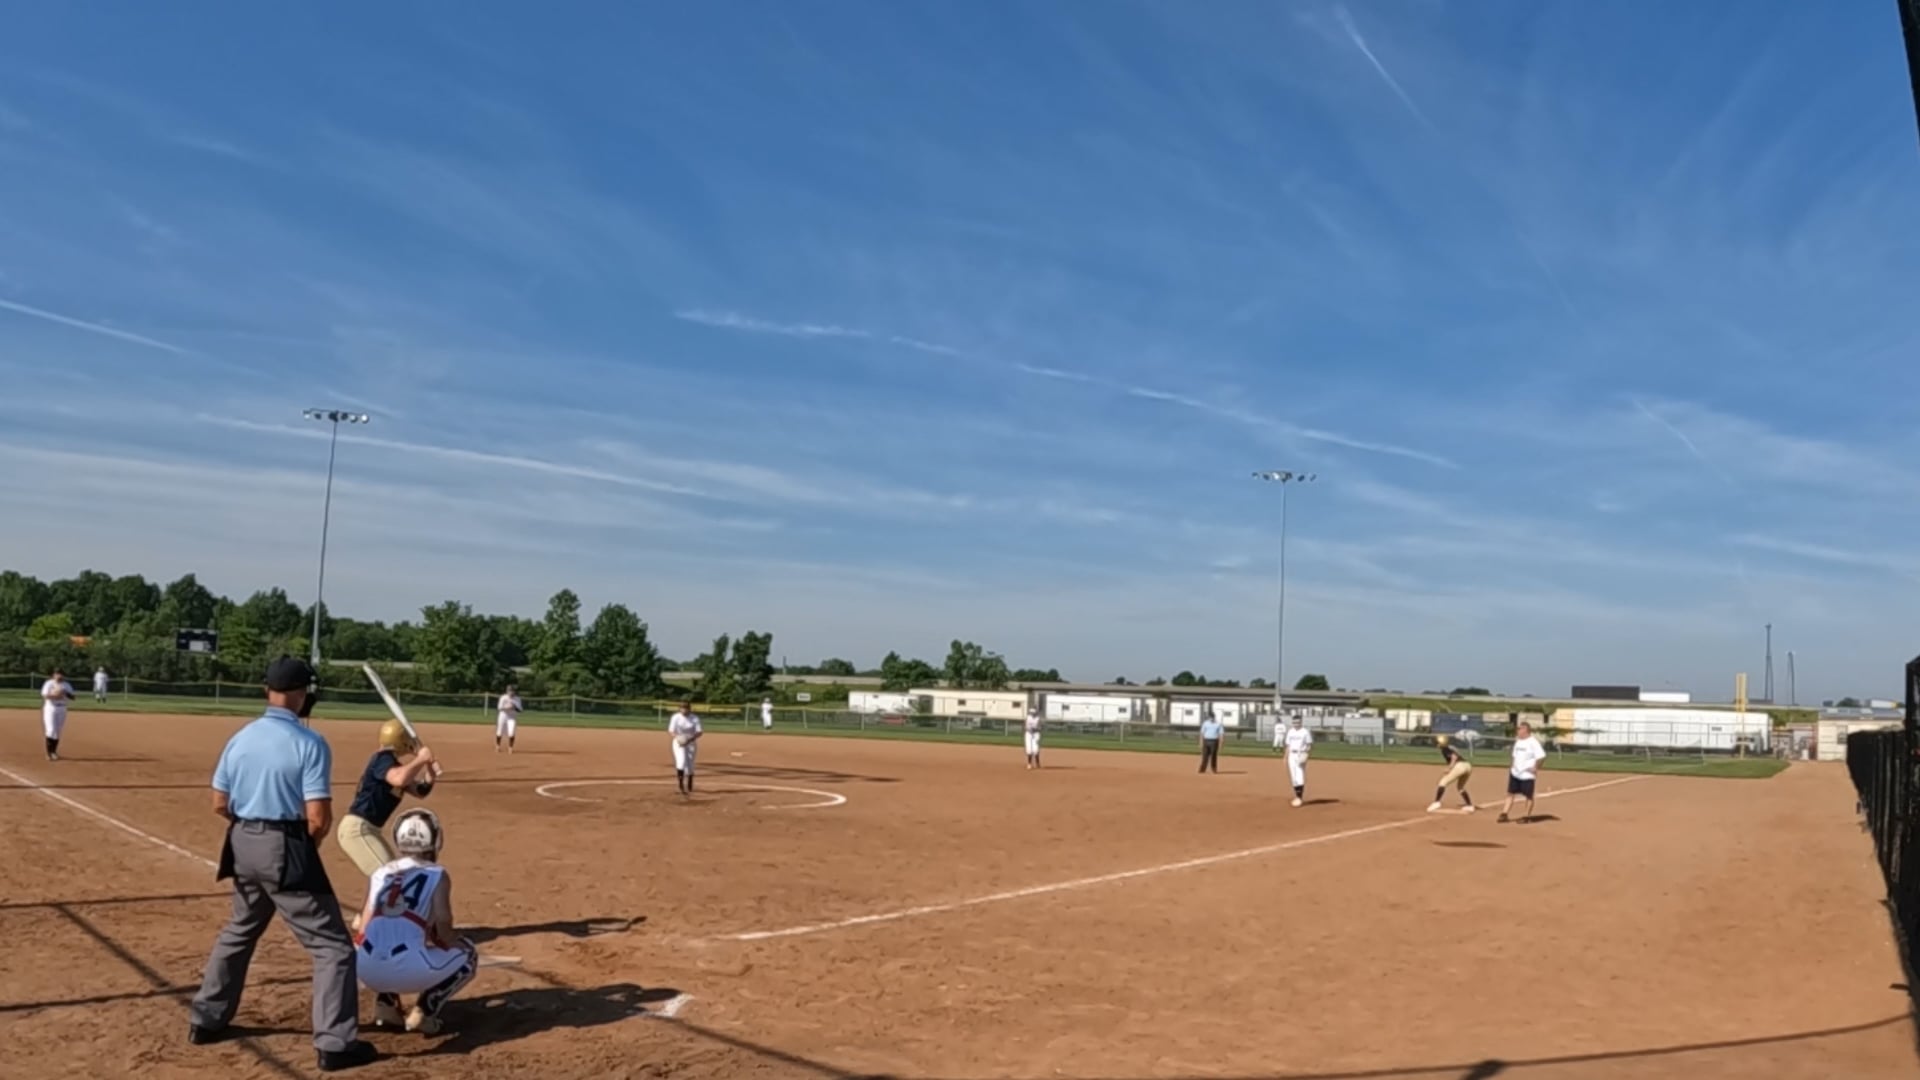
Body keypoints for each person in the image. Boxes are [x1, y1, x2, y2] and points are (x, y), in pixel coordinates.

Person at [189, 656, 375, 1072]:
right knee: (332, 947)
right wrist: (301, 848)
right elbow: (318, 818)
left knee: (240, 929)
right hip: (284, 843)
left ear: (267, 691)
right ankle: (335, 1043)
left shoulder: (241, 737)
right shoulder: (309, 742)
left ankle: (206, 1019)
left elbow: (219, 802)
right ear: (302, 694)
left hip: (241, 841)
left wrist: (252, 829)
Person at [353, 808, 478, 1035]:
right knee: (469, 954)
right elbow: (444, 923)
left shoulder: (381, 872)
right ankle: (425, 1012)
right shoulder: (437, 873)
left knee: (383, 937)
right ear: (436, 840)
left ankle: (386, 1006)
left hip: (365, 969)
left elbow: (363, 928)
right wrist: (450, 940)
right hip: (409, 967)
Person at [336, 719, 438, 923]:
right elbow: (399, 779)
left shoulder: (395, 765)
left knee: (386, 874)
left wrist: (430, 770)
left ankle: (363, 920)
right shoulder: (383, 759)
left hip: (369, 831)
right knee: (389, 876)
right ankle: (369, 925)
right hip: (358, 830)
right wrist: (419, 759)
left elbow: (420, 791)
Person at [1500, 721, 1549, 824]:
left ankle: (1526, 816)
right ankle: (1504, 814)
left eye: (1520, 729)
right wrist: (1512, 765)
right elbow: (1514, 755)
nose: (1518, 730)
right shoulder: (1518, 741)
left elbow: (1541, 756)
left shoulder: (1533, 742)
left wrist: (1536, 767)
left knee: (1528, 796)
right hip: (1515, 773)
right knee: (1510, 793)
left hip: (1527, 775)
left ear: (1525, 730)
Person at [1427, 734, 1475, 813]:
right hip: (1467, 766)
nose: (1436, 745)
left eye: (1437, 744)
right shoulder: (1451, 747)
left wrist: (1449, 768)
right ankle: (1469, 806)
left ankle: (1436, 802)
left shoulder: (1445, 748)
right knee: (1460, 787)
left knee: (1442, 783)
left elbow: (1454, 757)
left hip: (1460, 766)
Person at [669, 701, 703, 796]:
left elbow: (699, 732)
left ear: (689, 709)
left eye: (686, 708)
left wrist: (690, 739)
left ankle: (690, 781)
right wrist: (678, 738)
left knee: (690, 765)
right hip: (678, 742)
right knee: (681, 762)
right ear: (679, 709)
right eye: (682, 708)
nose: (684, 709)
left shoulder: (694, 718)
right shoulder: (675, 717)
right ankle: (681, 785)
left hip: (691, 742)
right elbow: (671, 731)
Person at [40, 669, 74, 761]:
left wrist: (65, 693)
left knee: (58, 731)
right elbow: (45, 695)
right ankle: (48, 753)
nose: (59, 676)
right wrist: (56, 695)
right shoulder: (49, 683)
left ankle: (54, 752)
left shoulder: (66, 685)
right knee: (51, 730)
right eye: (57, 674)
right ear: (53, 675)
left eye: (61, 674)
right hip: (51, 708)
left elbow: (73, 697)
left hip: (62, 708)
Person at [1281, 716, 1313, 807]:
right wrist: (1285, 757)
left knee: (1299, 775)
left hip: (1300, 754)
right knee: (1293, 776)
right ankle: (1297, 796)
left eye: (1298, 722)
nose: (1296, 724)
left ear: (1301, 722)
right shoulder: (1290, 731)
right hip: (1292, 754)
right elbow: (1288, 746)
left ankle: (1299, 798)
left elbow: (1309, 745)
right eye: (1294, 722)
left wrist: (1306, 754)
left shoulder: (1305, 732)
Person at [494, 684, 522, 753]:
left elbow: (520, 710)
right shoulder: (503, 698)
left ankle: (510, 748)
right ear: (507, 691)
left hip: (512, 717)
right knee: (500, 731)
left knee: (511, 732)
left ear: (514, 691)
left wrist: (514, 707)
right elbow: (499, 708)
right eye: (509, 690)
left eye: (512, 691)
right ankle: (498, 746)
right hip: (503, 716)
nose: (511, 692)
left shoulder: (517, 699)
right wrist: (507, 708)